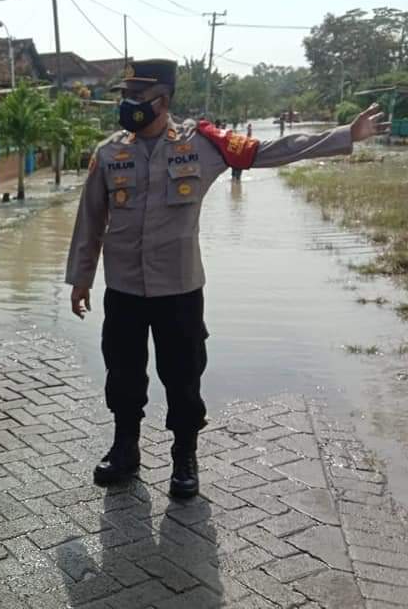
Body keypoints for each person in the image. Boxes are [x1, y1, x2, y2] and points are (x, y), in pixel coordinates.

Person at [66, 59, 388, 499]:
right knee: (122, 374)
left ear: (162, 100)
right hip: (123, 289)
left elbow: (268, 151)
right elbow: (91, 219)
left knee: (182, 376)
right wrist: (81, 279)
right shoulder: (108, 152)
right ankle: (125, 450)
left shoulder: (203, 144)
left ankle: (184, 458)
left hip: (178, 289)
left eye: (137, 98)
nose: (128, 105)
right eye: (126, 97)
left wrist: (344, 136)